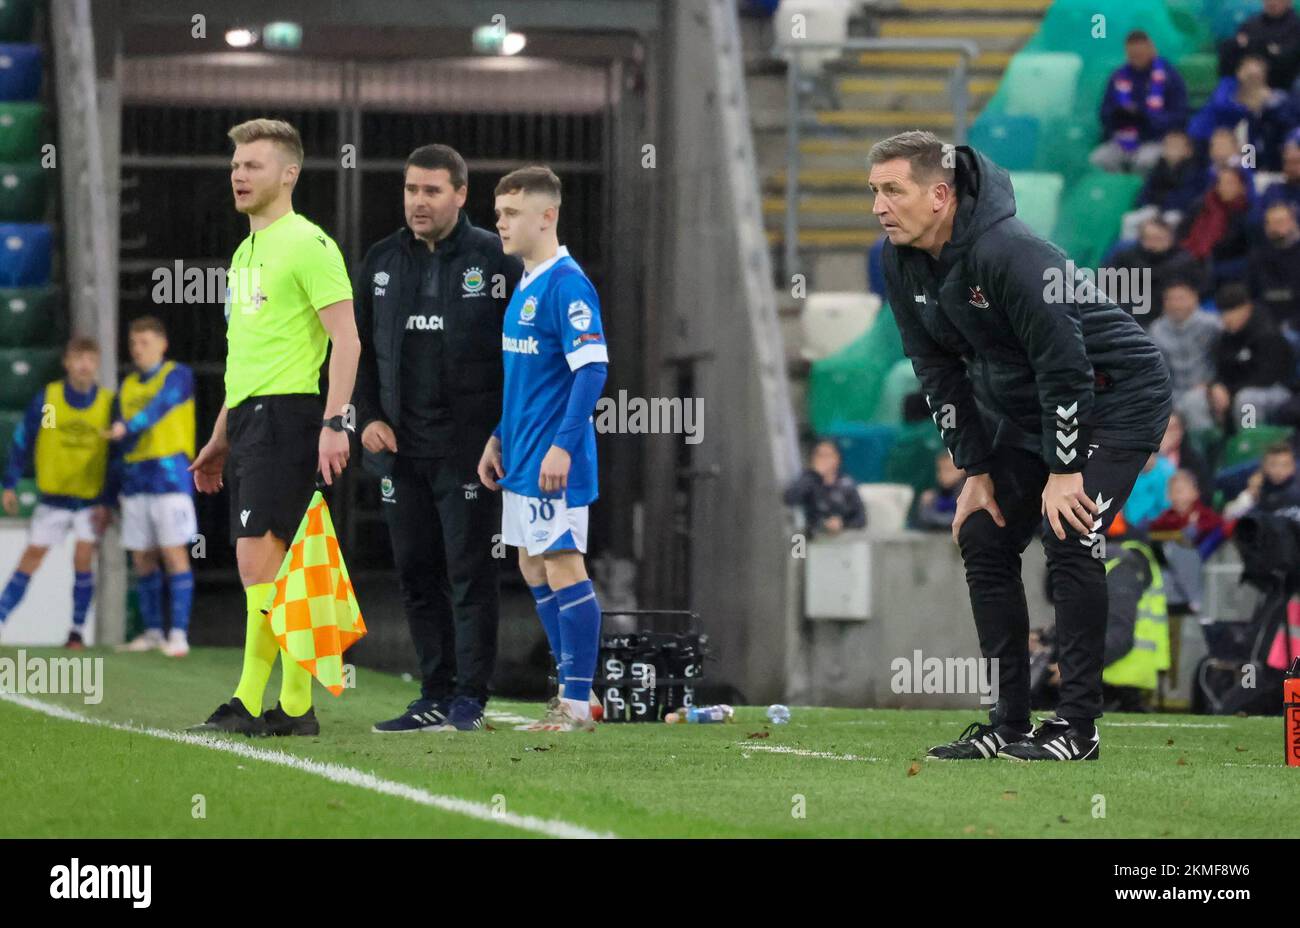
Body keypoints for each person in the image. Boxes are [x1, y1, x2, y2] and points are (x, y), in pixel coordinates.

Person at [869, 130, 1173, 762]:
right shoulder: (899, 261)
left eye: (893, 191)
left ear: (940, 195)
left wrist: (1064, 470)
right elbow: (936, 370)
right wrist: (975, 470)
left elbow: (1065, 365)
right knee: (983, 532)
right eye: (874, 191)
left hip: (1116, 395)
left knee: (1070, 531)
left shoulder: (1012, 253)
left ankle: (1077, 731)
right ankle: (1007, 725)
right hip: (1032, 406)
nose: (879, 206)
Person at [187, 118, 360, 737]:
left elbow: (348, 340)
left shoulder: (309, 245)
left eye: (253, 164)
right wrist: (219, 436)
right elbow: (245, 360)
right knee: (275, 567)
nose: (238, 174)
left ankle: (268, 703)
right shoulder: (244, 252)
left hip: (290, 417)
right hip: (252, 419)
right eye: (235, 165)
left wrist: (335, 422)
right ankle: (284, 707)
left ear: (289, 174)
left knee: (259, 562)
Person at [353, 144, 523, 734]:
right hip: (401, 454)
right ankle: (432, 692)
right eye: (410, 190)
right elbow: (358, 354)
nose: (417, 202)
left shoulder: (496, 259)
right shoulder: (379, 262)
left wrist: (504, 433)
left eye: (430, 191)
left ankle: (469, 698)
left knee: (469, 573)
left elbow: (520, 353)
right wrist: (367, 414)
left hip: (469, 453)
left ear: (460, 195)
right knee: (416, 574)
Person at [477, 165, 609, 733]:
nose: (499, 222)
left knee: (561, 562)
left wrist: (562, 447)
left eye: (510, 213)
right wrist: (498, 436)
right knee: (532, 563)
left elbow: (592, 369)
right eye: (499, 212)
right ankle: (576, 693)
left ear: (546, 216)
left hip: (554, 461)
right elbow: (529, 379)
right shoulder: (528, 281)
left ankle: (576, 701)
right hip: (522, 454)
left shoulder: (566, 283)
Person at [0, 337, 114, 647]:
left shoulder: (107, 404)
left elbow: (115, 456)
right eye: (78, 358)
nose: (84, 365)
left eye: (90, 359)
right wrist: (9, 482)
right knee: (31, 557)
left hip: (89, 500)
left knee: (83, 557)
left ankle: (76, 631)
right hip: (53, 499)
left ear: (97, 363)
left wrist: (108, 501)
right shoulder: (50, 401)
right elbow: (26, 438)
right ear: (66, 362)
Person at [110, 317, 197, 657]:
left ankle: (178, 633)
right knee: (142, 557)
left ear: (163, 344)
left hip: (169, 476)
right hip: (136, 479)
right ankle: (151, 632)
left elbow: (161, 406)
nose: (138, 350)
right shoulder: (128, 385)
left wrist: (129, 426)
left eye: (145, 342)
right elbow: (117, 441)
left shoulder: (178, 375)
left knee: (174, 553)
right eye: (133, 344)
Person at [1091, 31, 1188, 174]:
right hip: (1122, 139)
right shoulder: (1118, 76)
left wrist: (1146, 117)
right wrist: (1119, 115)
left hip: (1156, 139)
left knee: (1145, 161)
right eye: (1133, 55)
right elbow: (1104, 112)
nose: (1137, 58)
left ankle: (1143, 194)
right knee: (1098, 159)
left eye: (1140, 53)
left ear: (1151, 49)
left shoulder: (1169, 77)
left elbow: (1180, 115)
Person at [1208, 283, 1295, 431]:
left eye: (1232, 311)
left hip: (1276, 390)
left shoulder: (1267, 333)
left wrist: (1229, 391)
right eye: (1223, 313)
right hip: (1237, 389)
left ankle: (1250, 446)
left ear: (1246, 308)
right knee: (1198, 400)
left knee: (1247, 400)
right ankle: (1210, 449)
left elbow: (1265, 378)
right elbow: (1220, 367)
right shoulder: (1226, 336)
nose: (1227, 318)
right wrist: (1216, 385)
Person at [1147, 280, 1222, 431]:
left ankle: (1204, 451)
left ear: (1194, 298)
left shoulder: (1213, 325)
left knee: (1194, 401)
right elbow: (1155, 372)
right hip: (1173, 393)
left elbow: (1227, 359)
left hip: (1207, 391)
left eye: (1181, 298)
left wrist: (1214, 384)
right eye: (1170, 299)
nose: (1176, 304)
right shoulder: (1157, 330)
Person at [1104, 217, 1203, 322]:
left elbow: (1193, 292)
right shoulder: (1126, 256)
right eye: (1148, 238)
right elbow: (1105, 283)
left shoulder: (1183, 262)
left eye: (1159, 239)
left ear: (1170, 238)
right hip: (1124, 312)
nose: (1153, 244)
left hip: (1165, 317)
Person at [1179, 165, 1253, 288]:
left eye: (1230, 183)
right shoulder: (1201, 205)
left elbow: (1244, 250)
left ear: (1242, 187)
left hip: (1223, 267)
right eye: (1220, 183)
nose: (1224, 187)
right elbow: (1181, 233)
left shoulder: (1246, 214)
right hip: (1191, 259)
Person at [782, 439, 867, 536]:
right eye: (819, 455)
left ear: (837, 459)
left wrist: (842, 523)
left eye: (828, 456)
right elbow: (789, 498)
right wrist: (815, 474)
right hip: (814, 540)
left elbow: (861, 518)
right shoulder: (808, 480)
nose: (823, 460)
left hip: (844, 541)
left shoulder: (846, 484)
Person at [1218, 0, 1300, 92]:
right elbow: (1232, 48)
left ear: (1289, 2)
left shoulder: (1296, 27)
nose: (1272, 3)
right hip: (1246, 82)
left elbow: (1288, 57)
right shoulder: (1251, 24)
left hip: (1282, 84)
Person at [1248, 202, 1300, 331]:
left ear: (1293, 223)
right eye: (1272, 222)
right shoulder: (1257, 256)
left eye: (1282, 221)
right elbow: (1250, 294)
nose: (1277, 227)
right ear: (1266, 227)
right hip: (1266, 324)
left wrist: (1291, 325)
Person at [1223, 441, 1300, 518]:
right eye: (1273, 464)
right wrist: (1250, 493)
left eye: (1285, 465)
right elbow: (1228, 516)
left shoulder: (1296, 488)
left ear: (1293, 467)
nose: (1279, 470)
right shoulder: (1256, 487)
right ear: (1264, 466)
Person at [914, 451, 966, 531]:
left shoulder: (967, 494)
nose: (942, 474)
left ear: (963, 471)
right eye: (939, 470)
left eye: (948, 470)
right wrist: (925, 506)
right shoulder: (933, 496)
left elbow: (962, 520)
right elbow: (922, 520)